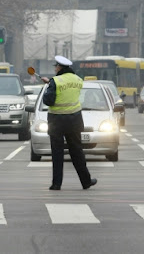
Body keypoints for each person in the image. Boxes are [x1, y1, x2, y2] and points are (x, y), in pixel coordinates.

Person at [40, 55, 97, 191]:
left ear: (59, 67)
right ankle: (86, 181)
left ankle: (56, 184)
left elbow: (49, 100)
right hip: (74, 120)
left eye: (56, 66)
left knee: (57, 153)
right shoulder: (78, 80)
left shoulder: (56, 81)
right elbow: (66, 90)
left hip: (57, 121)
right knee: (77, 152)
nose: (55, 68)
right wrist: (51, 84)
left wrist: (49, 86)